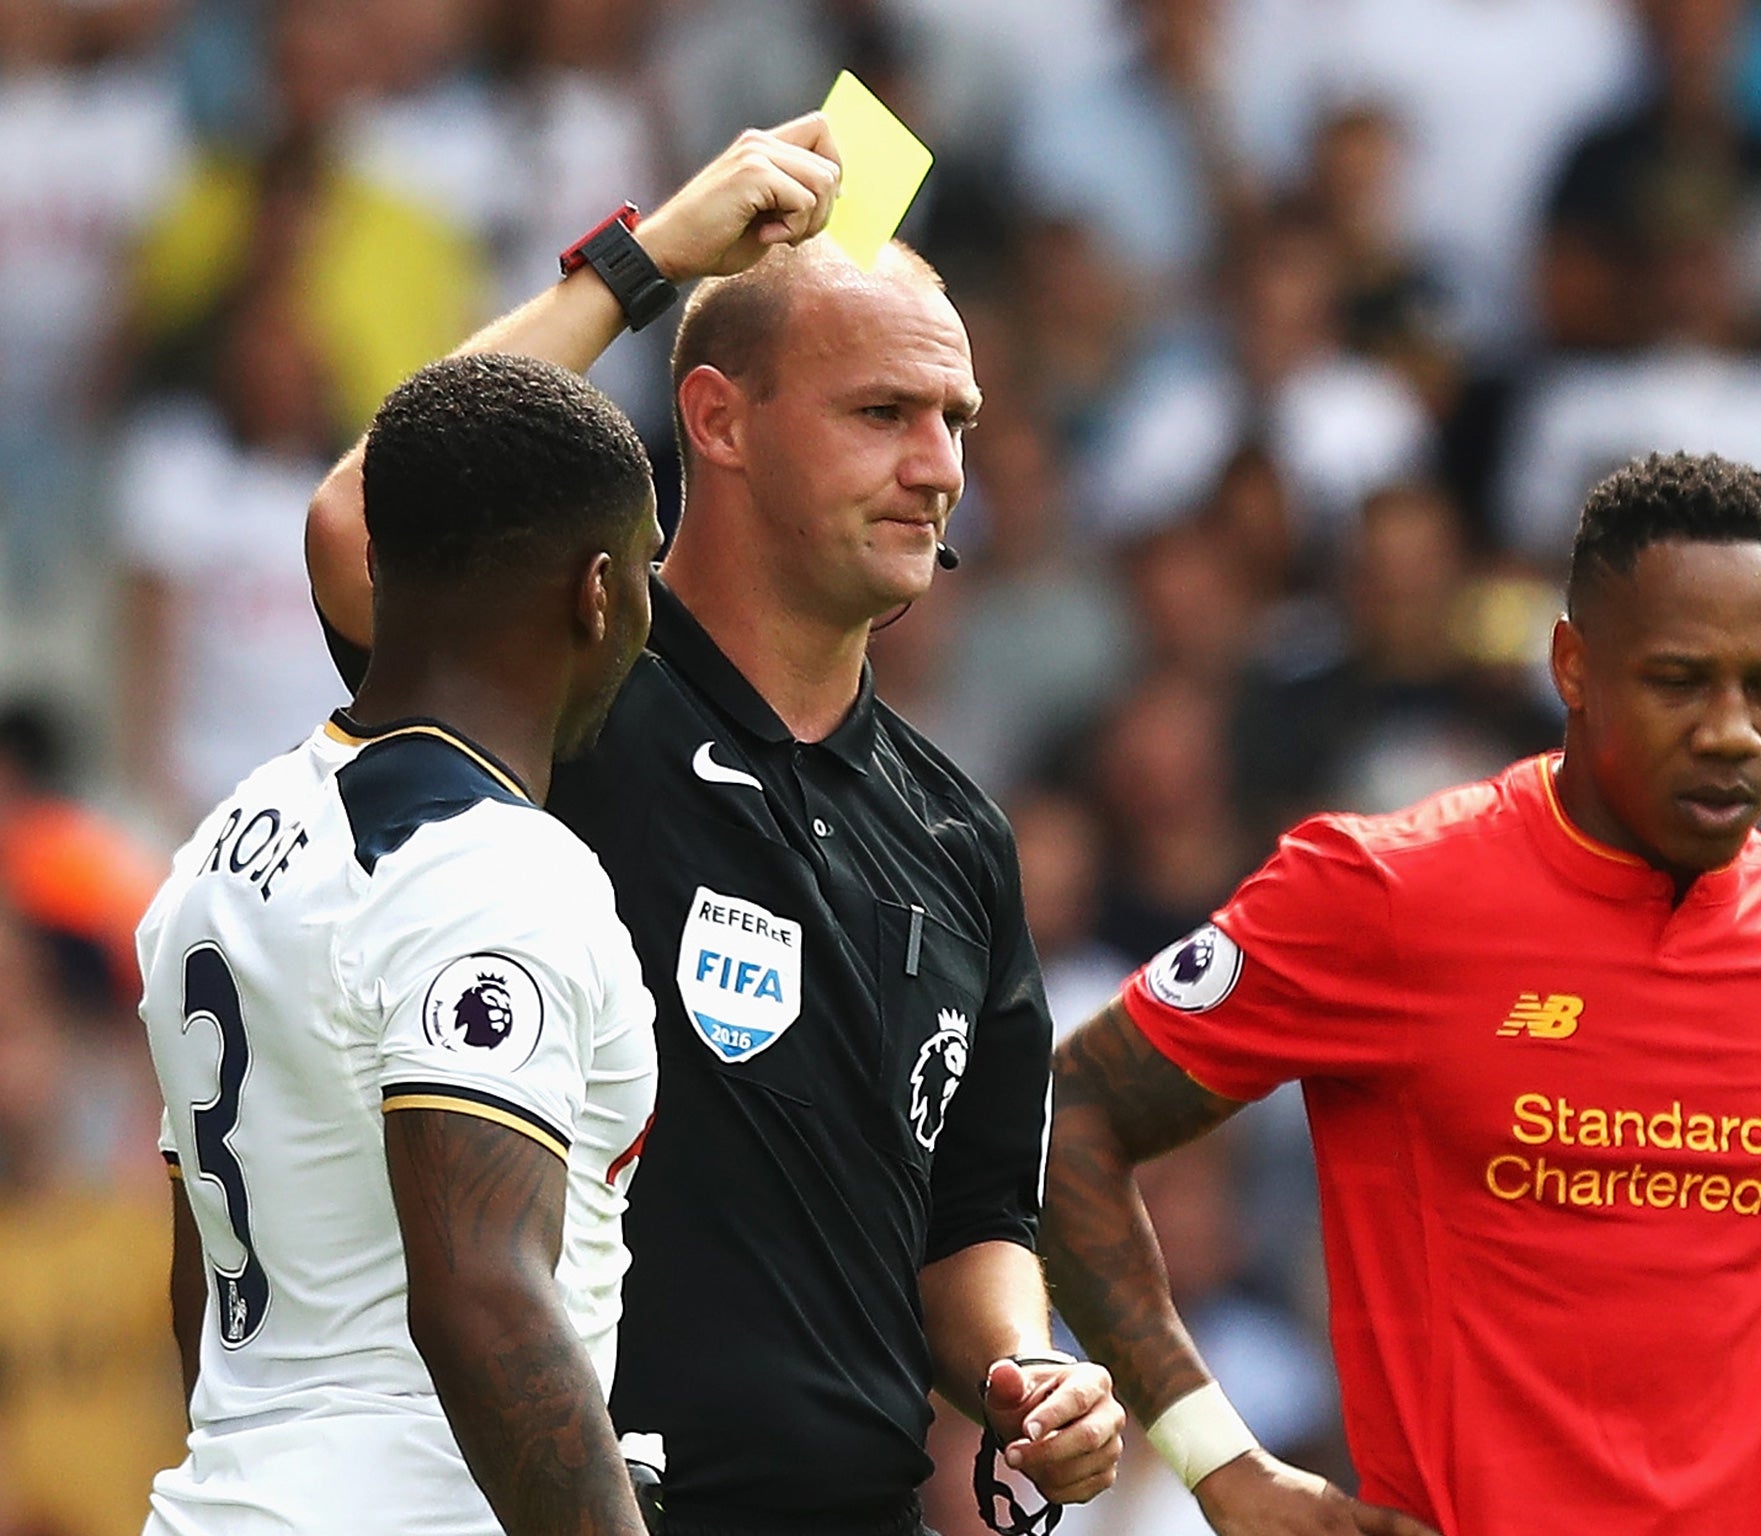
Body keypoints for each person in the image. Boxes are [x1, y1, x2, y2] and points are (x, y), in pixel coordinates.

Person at [305, 116, 1124, 1535]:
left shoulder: (959, 836)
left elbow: (977, 1220)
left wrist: (1030, 1369)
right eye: (884, 414)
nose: (939, 467)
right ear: (718, 419)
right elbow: (355, 521)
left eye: (957, 422)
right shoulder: (568, 683)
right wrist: (647, 258)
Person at [1040, 451, 1761, 1536]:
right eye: (1678, 680)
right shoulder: (1381, 894)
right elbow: (1068, 1118)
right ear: (1571, 664)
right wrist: (1218, 1464)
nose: (1731, 731)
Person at [140, 352, 663, 1535]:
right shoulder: (492, 870)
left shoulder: (221, 845)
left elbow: (207, 1280)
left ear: (377, 565)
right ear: (596, 590)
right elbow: (484, 1300)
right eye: (645, 573)